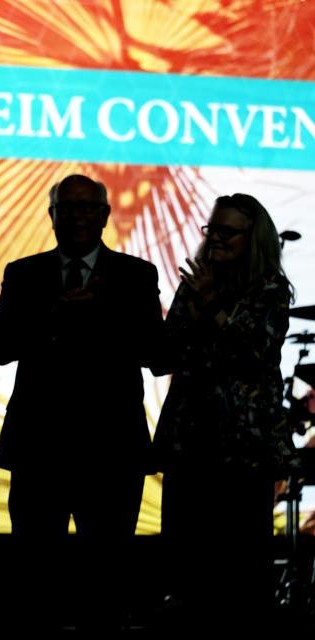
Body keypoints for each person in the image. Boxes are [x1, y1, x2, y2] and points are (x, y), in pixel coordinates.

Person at [0, 174, 163, 628]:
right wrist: (52, 314)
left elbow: (158, 353)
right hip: (39, 449)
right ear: (52, 216)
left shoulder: (137, 275)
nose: (78, 216)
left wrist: (101, 317)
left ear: (104, 215)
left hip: (113, 450)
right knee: (34, 575)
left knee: (107, 578)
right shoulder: (24, 274)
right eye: (68, 208)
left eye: (87, 208)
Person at [154, 193, 298, 630]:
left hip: (243, 449)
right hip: (190, 440)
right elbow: (164, 354)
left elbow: (254, 352)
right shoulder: (197, 280)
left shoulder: (270, 288)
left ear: (251, 239)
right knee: (184, 560)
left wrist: (213, 308)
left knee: (239, 565)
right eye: (211, 229)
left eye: (226, 231)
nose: (214, 238)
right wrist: (190, 313)